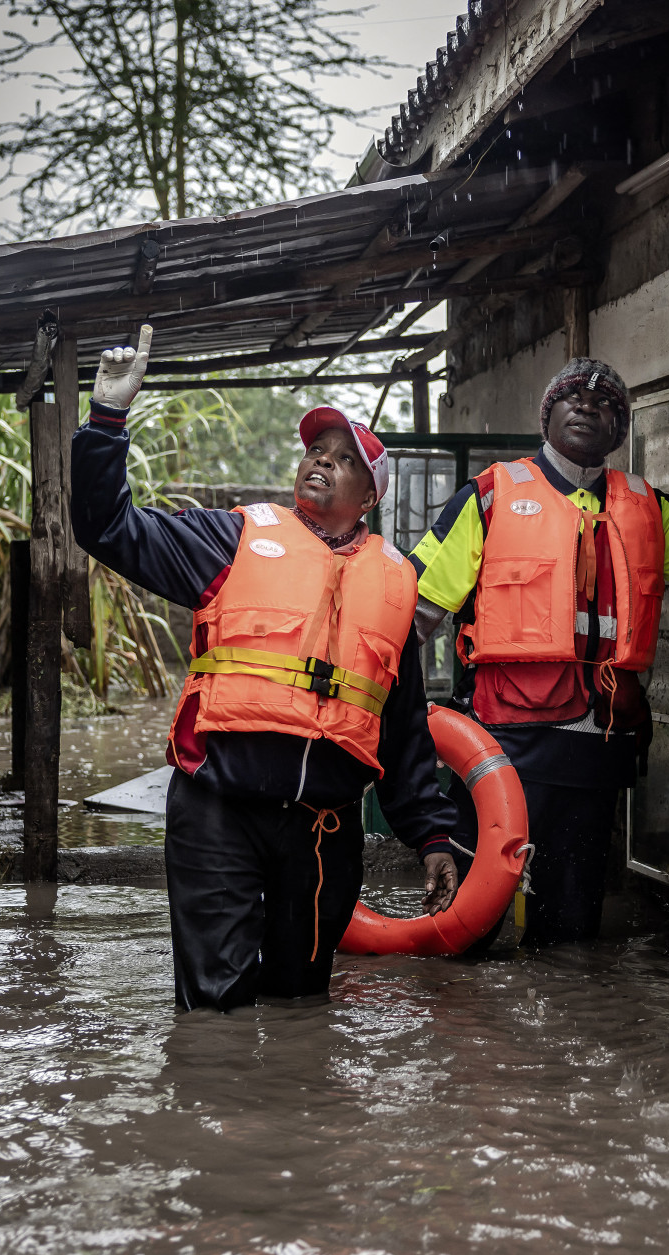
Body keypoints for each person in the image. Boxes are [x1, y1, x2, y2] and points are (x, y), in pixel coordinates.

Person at [70, 325, 461, 1008]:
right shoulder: (232, 538)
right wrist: (106, 419)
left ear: (370, 497)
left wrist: (431, 835)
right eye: (316, 449)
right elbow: (107, 528)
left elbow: (402, 731)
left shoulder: (396, 586)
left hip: (323, 829)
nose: (322, 461)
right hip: (219, 806)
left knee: (301, 1004)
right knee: (215, 1008)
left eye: (344, 459)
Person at [408, 357, 669, 946]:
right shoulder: (489, 498)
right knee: (467, 926)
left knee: (570, 928)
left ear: (620, 430)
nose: (588, 405)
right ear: (548, 416)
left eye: (606, 402)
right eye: (572, 396)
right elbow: (415, 614)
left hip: (596, 753)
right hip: (502, 745)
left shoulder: (649, 511)